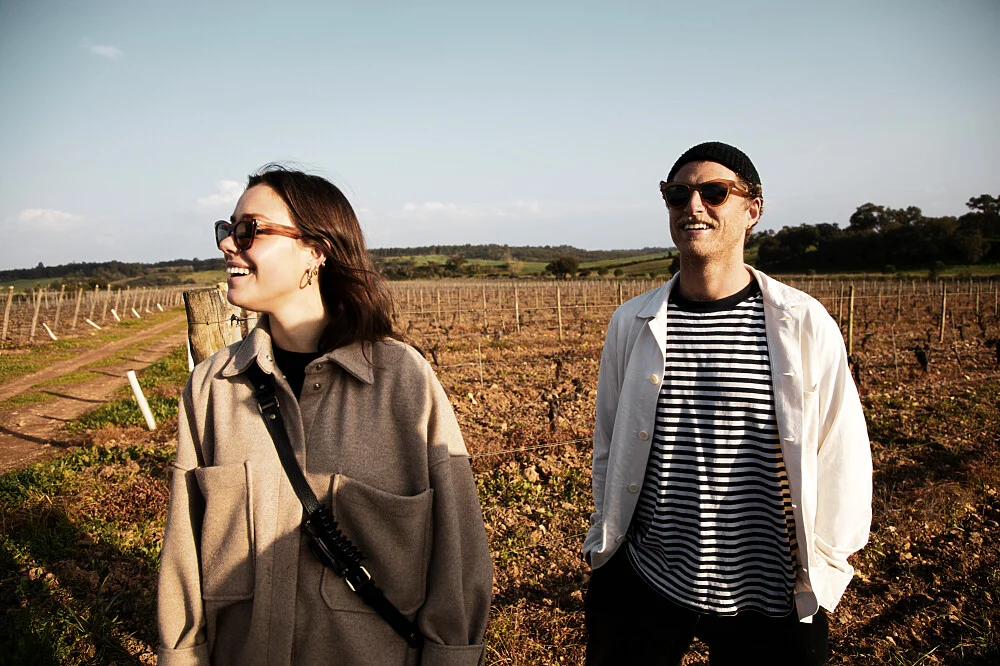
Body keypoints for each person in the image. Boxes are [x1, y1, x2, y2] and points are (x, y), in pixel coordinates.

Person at [157, 165, 493, 665]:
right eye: (227, 229)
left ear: (315, 251)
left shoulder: (403, 383)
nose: (228, 244)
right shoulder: (211, 388)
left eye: (248, 230)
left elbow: (458, 551)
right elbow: (183, 556)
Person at [583, 142, 872, 665]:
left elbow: (841, 454)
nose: (692, 205)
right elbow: (608, 440)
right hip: (648, 577)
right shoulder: (631, 323)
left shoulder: (803, 323)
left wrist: (827, 563)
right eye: (677, 195)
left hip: (770, 596)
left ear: (753, 210)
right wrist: (605, 537)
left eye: (714, 192)